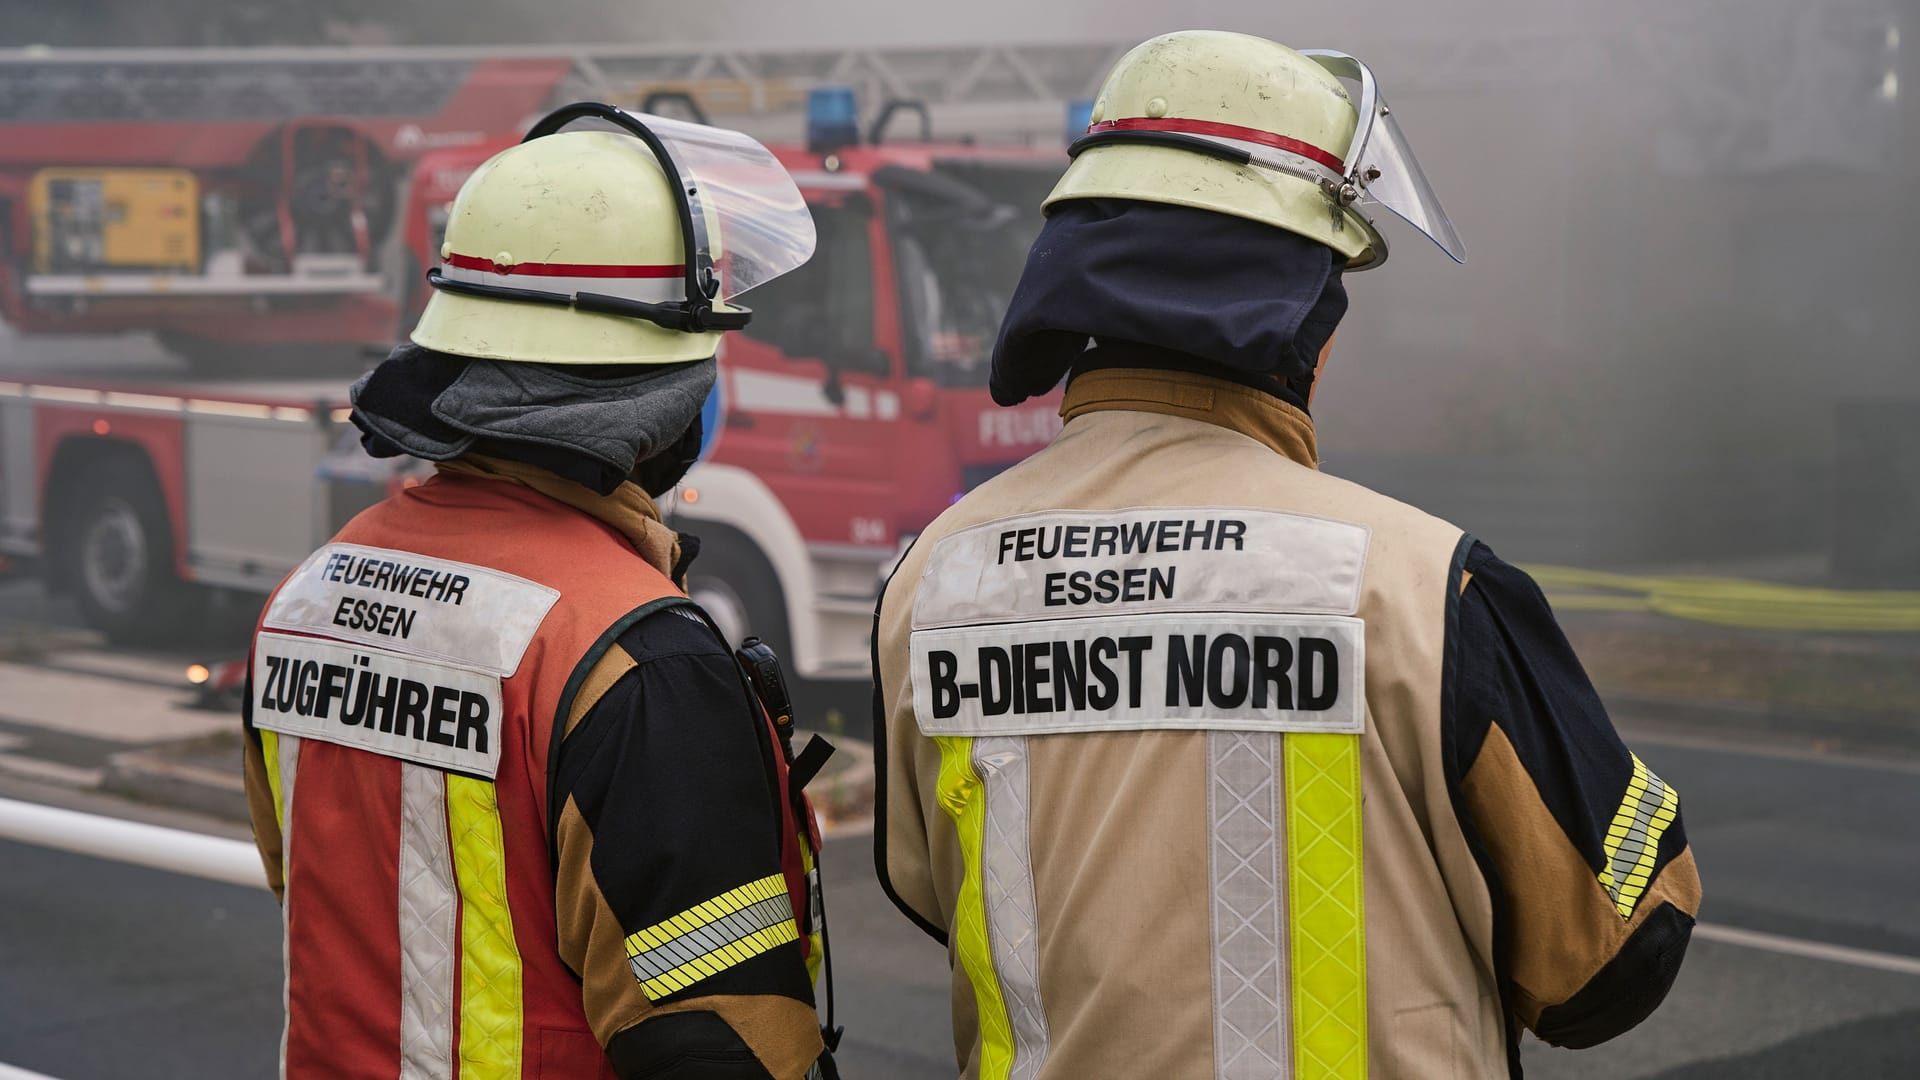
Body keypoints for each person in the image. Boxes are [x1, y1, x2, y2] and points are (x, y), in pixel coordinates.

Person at [872, 30, 1700, 1079]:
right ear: (1308, 317)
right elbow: (1613, 956)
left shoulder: (932, 581)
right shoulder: (1421, 584)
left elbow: (932, 890)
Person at [242, 103, 838, 1080]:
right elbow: (722, 1046)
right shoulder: (639, 662)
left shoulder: (303, 601)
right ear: (663, 398)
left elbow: (324, 896)